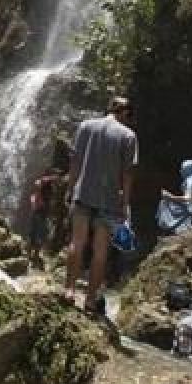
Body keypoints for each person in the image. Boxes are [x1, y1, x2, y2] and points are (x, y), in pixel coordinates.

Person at [64, 97, 138, 313]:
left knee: (77, 243)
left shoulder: (86, 126)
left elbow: (75, 161)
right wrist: (125, 204)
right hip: (109, 201)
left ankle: (68, 290)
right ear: (124, 113)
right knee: (100, 252)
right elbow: (128, 174)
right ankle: (89, 300)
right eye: (129, 115)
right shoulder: (128, 136)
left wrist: (70, 189)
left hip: (83, 194)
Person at [158, 159, 192, 234]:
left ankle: (172, 226)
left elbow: (188, 199)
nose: (182, 172)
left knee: (164, 202)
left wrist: (169, 196)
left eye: (184, 169)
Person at [27, 167, 65, 264]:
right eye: (57, 175)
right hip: (40, 211)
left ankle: (32, 254)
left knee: (38, 232)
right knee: (38, 232)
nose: (58, 177)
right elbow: (39, 183)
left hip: (42, 211)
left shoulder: (50, 185)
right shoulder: (46, 182)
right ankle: (31, 255)